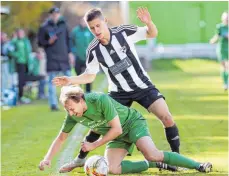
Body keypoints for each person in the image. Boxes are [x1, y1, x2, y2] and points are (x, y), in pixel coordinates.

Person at [53, 7, 182, 172]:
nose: (96, 30)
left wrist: (149, 23)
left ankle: (176, 158)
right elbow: (90, 75)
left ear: (105, 22)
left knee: (167, 117)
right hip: (118, 93)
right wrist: (70, 79)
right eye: (92, 28)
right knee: (98, 125)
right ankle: (79, 159)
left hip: (142, 86)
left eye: (98, 25)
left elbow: (152, 34)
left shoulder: (124, 32)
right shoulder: (93, 50)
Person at [38, 86, 212, 174]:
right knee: (113, 169)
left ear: (80, 99)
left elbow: (117, 128)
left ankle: (198, 165)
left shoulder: (99, 100)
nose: (70, 112)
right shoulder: (73, 115)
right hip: (116, 135)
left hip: (131, 124)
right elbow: (60, 138)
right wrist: (47, 159)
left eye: (71, 107)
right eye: (66, 109)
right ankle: (152, 164)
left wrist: (94, 145)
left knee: (152, 152)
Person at [38, 6, 74, 111]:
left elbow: (68, 41)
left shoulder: (64, 26)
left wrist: (70, 54)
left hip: (63, 58)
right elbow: (40, 43)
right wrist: (48, 42)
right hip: (52, 58)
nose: (55, 16)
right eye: (53, 14)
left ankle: (71, 103)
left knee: (68, 81)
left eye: (57, 14)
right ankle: (53, 104)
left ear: (59, 15)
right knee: (52, 82)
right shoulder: (44, 27)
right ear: (50, 15)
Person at [71, 18, 94, 93]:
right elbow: (71, 42)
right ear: (80, 22)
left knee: (88, 75)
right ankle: (78, 92)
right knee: (78, 75)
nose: (84, 23)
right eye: (82, 21)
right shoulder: (75, 31)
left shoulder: (90, 31)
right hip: (78, 57)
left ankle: (88, 92)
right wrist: (74, 52)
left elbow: (94, 42)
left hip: (88, 57)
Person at [210, 11, 228, 91]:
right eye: (225, 18)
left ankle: (227, 82)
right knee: (223, 66)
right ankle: (225, 83)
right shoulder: (220, 27)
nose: (226, 19)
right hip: (221, 48)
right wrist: (213, 40)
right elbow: (217, 35)